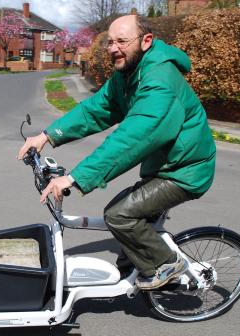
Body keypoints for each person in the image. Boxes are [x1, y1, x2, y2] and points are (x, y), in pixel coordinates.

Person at [17, 14, 216, 290]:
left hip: (185, 171)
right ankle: (132, 271)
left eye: (122, 41)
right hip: (163, 167)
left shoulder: (160, 80)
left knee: (119, 215)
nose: (113, 48)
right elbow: (96, 110)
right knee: (126, 215)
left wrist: (75, 177)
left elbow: (132, 138)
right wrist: (47, 135)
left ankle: (167, 264)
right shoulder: (128, 73)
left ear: (146, 41)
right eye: (110, 42)